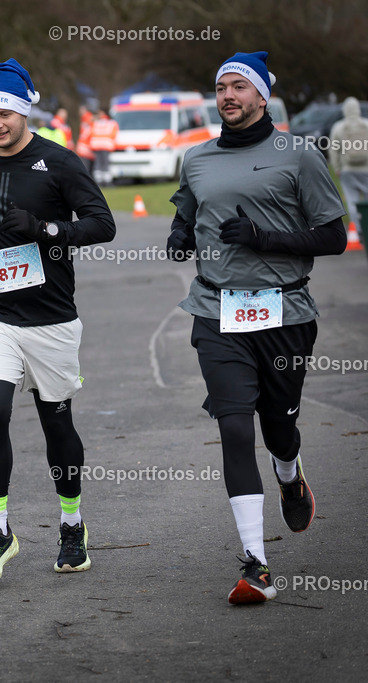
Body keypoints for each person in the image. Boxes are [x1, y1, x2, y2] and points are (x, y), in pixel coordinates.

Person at [167, 51, 347, 604]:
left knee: (278, 427)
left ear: (262, 96)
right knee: (234, 427)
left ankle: (289, 473)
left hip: (284, 314)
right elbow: (187, 212)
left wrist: (265, 238)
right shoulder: (196, 159)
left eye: (239, 86)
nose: (228, 95)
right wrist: (179, 236)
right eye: (220, 86)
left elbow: (333, 237)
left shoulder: (299, 154)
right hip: (216, 311)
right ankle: (256, 563)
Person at [0, 58, 116, 581]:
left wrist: (47, 229)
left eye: (4, 113)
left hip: (50, 317)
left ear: (24, 111)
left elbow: (103, 225)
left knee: (56, 422)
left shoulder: (61, 162)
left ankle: (72, 525)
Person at [328, 96, 368, 244]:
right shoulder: (366, 124)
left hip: (348, 170)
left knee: (352, 201)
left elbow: (333, 150)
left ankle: (358, 231)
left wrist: (337, 168)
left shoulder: (338, 127)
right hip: (366, 169)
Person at [89, 108, 118, 186]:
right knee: (105, 165)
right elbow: (114, 134)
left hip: (97, 146)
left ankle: (99, 182)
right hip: (106, 146)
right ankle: (107, 182)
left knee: (98, 165)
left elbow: (90, 130)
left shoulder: (95, 122)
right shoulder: (111, 123)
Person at [76, 107, 95, 176]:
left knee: (86, 167)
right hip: (87, 148)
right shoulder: (85, 120)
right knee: (89, 167)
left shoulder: (87, 119)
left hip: (86, 148)